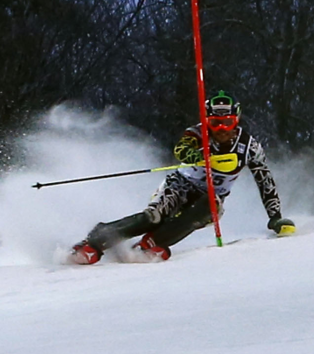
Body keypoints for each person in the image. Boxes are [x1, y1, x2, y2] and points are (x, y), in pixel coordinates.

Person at [69, 90, 296, 264]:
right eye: (215, 123)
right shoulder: (197, 133)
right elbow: (181, 148)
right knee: (154, 217)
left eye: (227, 123)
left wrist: (275, 216)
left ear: (235, 120)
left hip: (210, 195)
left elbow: (265, 180)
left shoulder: (249, 147)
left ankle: (153, 244)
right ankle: (95, 241)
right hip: (180, 186)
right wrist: (194, 154)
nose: (221, 129)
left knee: (211, 208)